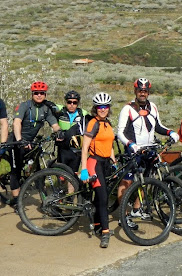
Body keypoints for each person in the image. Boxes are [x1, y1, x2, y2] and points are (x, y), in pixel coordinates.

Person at [116, 78, 179, 229]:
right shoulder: (128, 109)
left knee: (147, 179)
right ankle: (123, 216)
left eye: (145, 91)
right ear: (135, 91)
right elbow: (120, 132)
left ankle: (136, 209)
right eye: (140, 91)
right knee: (127, 182)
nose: (142, 93)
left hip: (149, 149)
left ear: (148, 92)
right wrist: (131, 144)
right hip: (133, 150)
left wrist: (170, 132)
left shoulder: (153, 107)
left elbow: (158, 126)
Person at [9, 81, 61, 207]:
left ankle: (43, 197)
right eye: (36, 93)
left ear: (45, 94)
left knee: (38, 168)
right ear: (32, 94)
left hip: (31, 141)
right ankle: (17, 201)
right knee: (15, 170)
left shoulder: (46, 109)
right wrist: (20, 139)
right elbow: (16, 123)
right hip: (17, 140)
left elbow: (54, 124)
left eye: (41, 93)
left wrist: (59, 132)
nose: (39, 95)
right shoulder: (25, 106)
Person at [80, 92, 116, 248]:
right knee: (103, 197)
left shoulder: (108, 123)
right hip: (94, 163)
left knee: (102, 196)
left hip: (106, 163)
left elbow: (110, 145)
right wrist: (83, 169)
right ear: (95, 108)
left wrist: (113, 160)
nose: (103, 109)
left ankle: (97, 224)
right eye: (100, 107)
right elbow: (85, 147)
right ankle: (105, 232)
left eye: (105, 106)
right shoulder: (93, 123)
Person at [54, 90, 89, 175]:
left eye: (75, 102)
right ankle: (61, 188)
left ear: (78, 103)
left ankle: (72, 188)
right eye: (69, 102)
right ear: (65, 102)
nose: (72, 105)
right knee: (61, 175)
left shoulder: (83, 114)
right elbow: (47, 104)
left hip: (76, 150)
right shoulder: (60, 111)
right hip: (62, 148)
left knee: (73, 175)